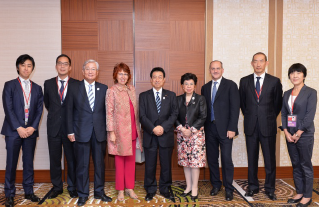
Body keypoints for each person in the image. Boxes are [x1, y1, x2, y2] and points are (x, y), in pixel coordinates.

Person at [67, 59, 111, 206]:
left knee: (99, 164)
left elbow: (108, 112)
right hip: (80, 132)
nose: (90, 71)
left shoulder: (104, 88)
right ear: (82, 71)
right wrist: (70, 131)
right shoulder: (73, 87)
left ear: (97, 72)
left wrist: (110, 131)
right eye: (88, 69)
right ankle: (83, 194)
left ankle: (99, 191)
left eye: (93, 69)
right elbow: (68, 111)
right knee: (82, 165)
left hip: (99, 132)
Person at [239, 52, 282, 200]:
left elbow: (277, 105)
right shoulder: (244, 81)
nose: (258, 64)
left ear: (266, 63)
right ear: (252, 63)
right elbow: (243, 105)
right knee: (252, 159)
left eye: (261, 61)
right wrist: (252, 116)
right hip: (251, 125)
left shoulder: (274, 81)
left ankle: (270, 188)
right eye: (255, 61)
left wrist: (267, 117)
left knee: (270, 160)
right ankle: (253, 187)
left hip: (268, 125)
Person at [1, 54, 43, 207]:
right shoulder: (9, 85)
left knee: (28, 162)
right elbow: (8, 108)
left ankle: (29, 191)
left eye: (29, 65)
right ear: (18, 67)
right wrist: (18, 128)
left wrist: (32, 127)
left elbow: (39, 110)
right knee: (11, 163)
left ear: (32, 68)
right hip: (13, 131)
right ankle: (9, 194)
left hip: (30, 131)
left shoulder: (37, 88)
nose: (26, 68)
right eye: (23, 65)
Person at [201, 61, 240, 201]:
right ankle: (216, 185)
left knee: (226, 160)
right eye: (213, 68)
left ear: (222, 70)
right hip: (209, 129)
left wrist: (232, 128)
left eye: (218, 68)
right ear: (209, 70)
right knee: (212, 159)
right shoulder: (205, 88)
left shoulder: (231, 85)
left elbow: (235, 108)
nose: (215, 70)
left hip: (225, 130)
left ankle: (228, 188)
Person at [139, 67, 178, 201]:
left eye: (160, 77)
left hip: (165, 134)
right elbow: (142, 116)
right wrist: (153, 128)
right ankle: (150, 189)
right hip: (150, 135)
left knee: (166, 164)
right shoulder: (144, 96)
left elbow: (174, 114)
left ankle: (165, 188)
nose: (157, 79)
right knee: (150, 164)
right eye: (154, 77)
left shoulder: (171, 95)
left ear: (164, 79)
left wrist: (163, 127)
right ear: (151, 80)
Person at [281, 63, 317, 207]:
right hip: (289, 134)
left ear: (304, 75)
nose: (295, 76)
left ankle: (307, 196)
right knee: (295, 164)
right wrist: (286, 131)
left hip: (305, 134)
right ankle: (300, 192)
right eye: (292, 73)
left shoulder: (311, 92)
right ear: (289, 75)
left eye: (298, 72)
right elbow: (284, 113)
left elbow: (310, 115)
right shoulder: (287, 93)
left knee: (305, 164)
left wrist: (298, 132)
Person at [106, 63, 142, 201]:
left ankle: (130, 188)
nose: (123, 76)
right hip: (119, 132)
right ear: (115, 75)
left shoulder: (131, 89)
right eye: (120, 74)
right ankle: (120, 190)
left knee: (131, 162)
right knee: (120, 162)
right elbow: (109, 113)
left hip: (132, 130)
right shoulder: (112, 91)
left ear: (129, 76)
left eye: (125, 74)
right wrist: (111, 132)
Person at [43, 54, 78, 199]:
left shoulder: (77, 84)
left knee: (71, 159)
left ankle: (72, 186)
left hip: (71, 129)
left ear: (70, 67)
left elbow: (78, 106)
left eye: (65, 64)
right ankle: (57, 187)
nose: (62, 66)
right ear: (56, 66)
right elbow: (48, 104)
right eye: (60, 63)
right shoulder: (48, 83)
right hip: (54, 127)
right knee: (55, 159)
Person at [176, 73, 207, 201]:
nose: (188, 86)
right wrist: (182, 129)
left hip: (196, 135)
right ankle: (188, 186)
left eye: (191, 84)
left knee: (194, 163)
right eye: (186, 84)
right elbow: (174, 116)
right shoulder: (178, 99)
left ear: (195, 85)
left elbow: (203, 116)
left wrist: (191, 130)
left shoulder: (200, 99)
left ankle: (195, 187)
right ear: (182, 86)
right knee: (185, 162)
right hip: (182, 134)